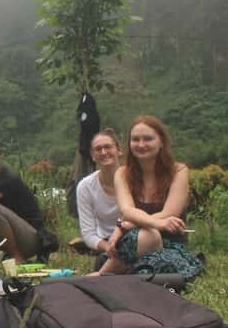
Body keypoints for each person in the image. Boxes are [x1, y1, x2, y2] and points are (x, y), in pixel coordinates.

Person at [103, 116, 203, 279]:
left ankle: (105, 275)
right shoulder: (122, 173)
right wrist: (155, 223)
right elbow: (127, 210)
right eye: (135, 139)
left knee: (155, 261)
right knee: (149, 235)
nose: (141, 145)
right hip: (134, 242)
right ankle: (110, 275)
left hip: (170, 246)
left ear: (161, 141)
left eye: (148, 139)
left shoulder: (179, 171)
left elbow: (169, 213)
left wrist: (123, 226)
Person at [76, 129, 123, 270]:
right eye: (98, 149)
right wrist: (108, 247)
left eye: (108, 147)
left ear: (119, 151)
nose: (103, 152)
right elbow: (88, 233)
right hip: (107, 243)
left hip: (134, 237)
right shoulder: (85, 186)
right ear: (92, 156)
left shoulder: (133, 180)